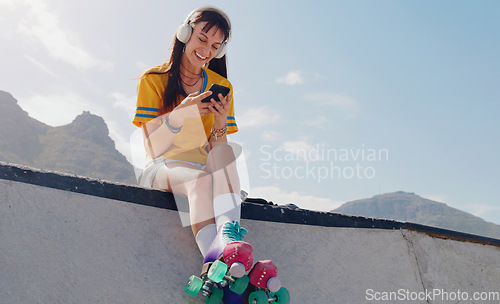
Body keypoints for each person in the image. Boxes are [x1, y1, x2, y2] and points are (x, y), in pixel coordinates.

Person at [133, 7, 284, 303]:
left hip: (204, 164)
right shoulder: (154, 79)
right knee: (201, 181)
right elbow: (153, 147)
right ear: (185, 35)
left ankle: (230, 242)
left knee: (225, 152)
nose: (206, 50)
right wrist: (181, 114)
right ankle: (213, 259)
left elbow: (218, 148)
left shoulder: (223, 86)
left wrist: (218, 124)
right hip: (163, 166)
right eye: (202, 40)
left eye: (215, 46)